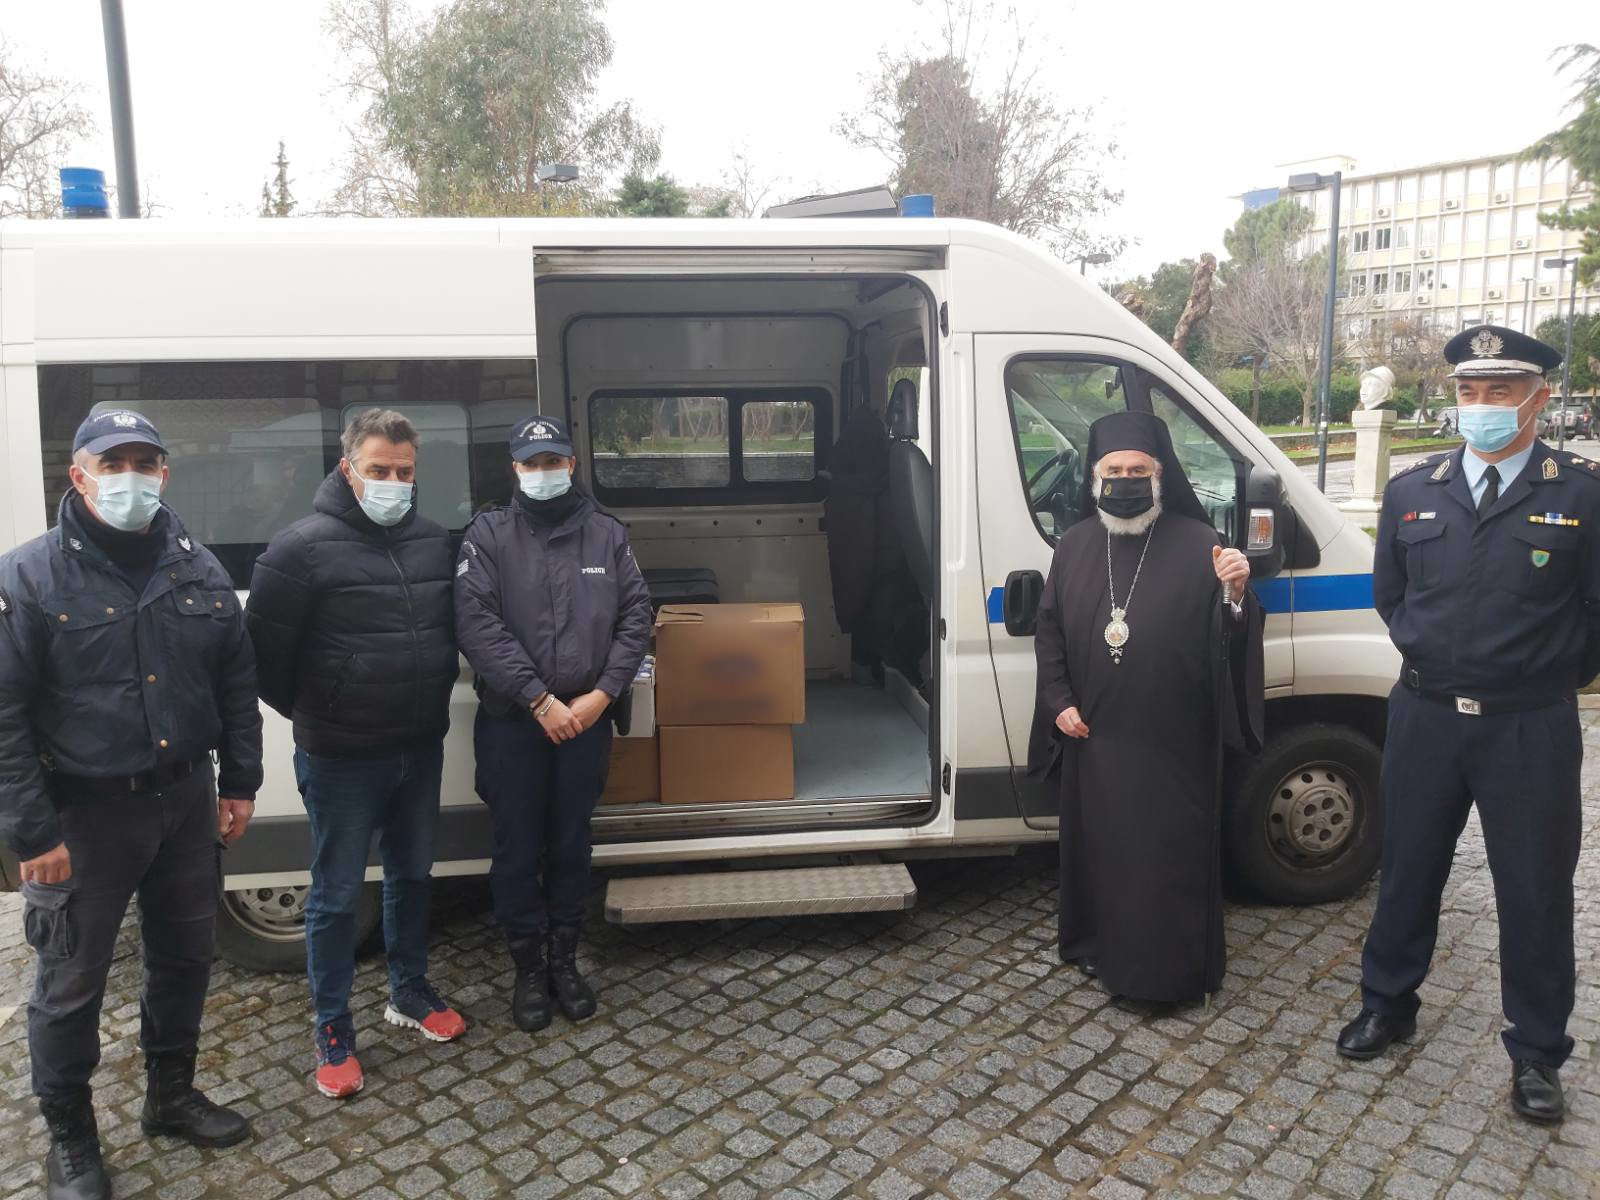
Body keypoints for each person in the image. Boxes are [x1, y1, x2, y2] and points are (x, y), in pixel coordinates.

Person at [0, 411, 262, 1200]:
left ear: (164, 474)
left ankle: (170, 1096)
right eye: (112, 462)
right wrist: (32, 833)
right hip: (84, 819)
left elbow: (236, 682)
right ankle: (71, 1138)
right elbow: (4, 716)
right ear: (78, 475)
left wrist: (241, 782)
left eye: (144, 461)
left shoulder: (197, 566)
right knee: (70, 987)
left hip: (185, 802)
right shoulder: (28, 577)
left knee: (184, 958)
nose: (130, 476)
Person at [1336, 325, 1593, 1125]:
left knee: (1535, 888)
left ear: (1537, 400)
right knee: (1408, 867)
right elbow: (1392, 596)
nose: (1481, 406)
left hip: (1528, 726)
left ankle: (1537, 1050)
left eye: (1500, 391)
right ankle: (1388, 1003)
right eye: (1469, 391)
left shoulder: (1580, 495)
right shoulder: (1415, 489)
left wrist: (1541, 675)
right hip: (1426, 716)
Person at [245, 409, 464, 1100]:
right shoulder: (299, 548)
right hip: (341, 756)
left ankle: (409, 990)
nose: (393, 482)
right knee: (337, 896)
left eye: (404, 471)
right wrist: (330, 709)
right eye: (379, 470)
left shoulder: (432, 541)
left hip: (418, 746)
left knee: (412, 876)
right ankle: (333, 1026)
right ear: (348, 468)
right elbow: (264, 662)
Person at [1027, 410, 1263, 1006]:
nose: (1125, 480)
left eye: (1139, 470)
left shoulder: (1200, 543)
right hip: (1095, 737)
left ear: (1160, 476)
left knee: (1164, 858)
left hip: (1172, 742)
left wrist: (1237, 593)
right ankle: (1097, 946)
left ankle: (1165, 977)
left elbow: (1232, 634)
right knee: (1102, 851)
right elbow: (1049, 631)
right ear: (1094, 478)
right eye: (1114, 471)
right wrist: (1058, 701)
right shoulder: (1074, 545)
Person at [454, 415, 652, 1031]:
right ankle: (527, 968)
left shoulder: (606, 535)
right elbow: (476, 624)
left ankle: (565, 959)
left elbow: (636, 616)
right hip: (514, 719)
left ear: (571, 464)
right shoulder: (488, 535)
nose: (544, 472)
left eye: (554, 462)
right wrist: (539, 699)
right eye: (532, 463)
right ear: (515, 468)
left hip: (586, 718)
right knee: (516, 846)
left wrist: (603, 694)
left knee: (571, 843)